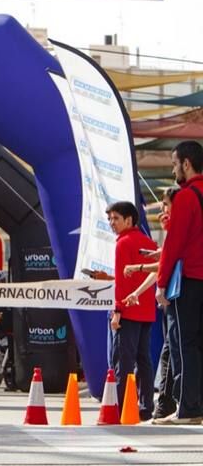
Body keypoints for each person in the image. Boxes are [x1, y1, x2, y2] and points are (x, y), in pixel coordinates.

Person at [154, 140, 203, 425]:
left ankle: (188, 408)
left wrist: (161, 283)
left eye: (174, 164)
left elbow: (175, 244)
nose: (174, 170)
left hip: (188, 281)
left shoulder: (185, 196)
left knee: (183, 344)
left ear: (186, 163)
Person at [123, 187, 179, 420]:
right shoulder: (174, 230)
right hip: (172, 298)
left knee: (171, 350)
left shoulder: (183, 229)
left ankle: (166, 402)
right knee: (169, 349)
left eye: (166, 205)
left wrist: (139, 267)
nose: (163, 211)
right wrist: (138, 290)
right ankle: (167, 401)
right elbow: (166, 263)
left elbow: (168, 263)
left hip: (179, 297)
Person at [102, 201, 158, 420]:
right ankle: (145, 407)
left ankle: (122, 406)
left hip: (127, 311)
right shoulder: (148, 242)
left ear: (129, 220)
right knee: (144, 360)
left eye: (116, 218)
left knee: (121, 362)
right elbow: (139, 275)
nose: (111, 223)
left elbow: (123, 285)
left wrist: (117, 311)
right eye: (109, 219)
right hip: (145, 312)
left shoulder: (122, 243)